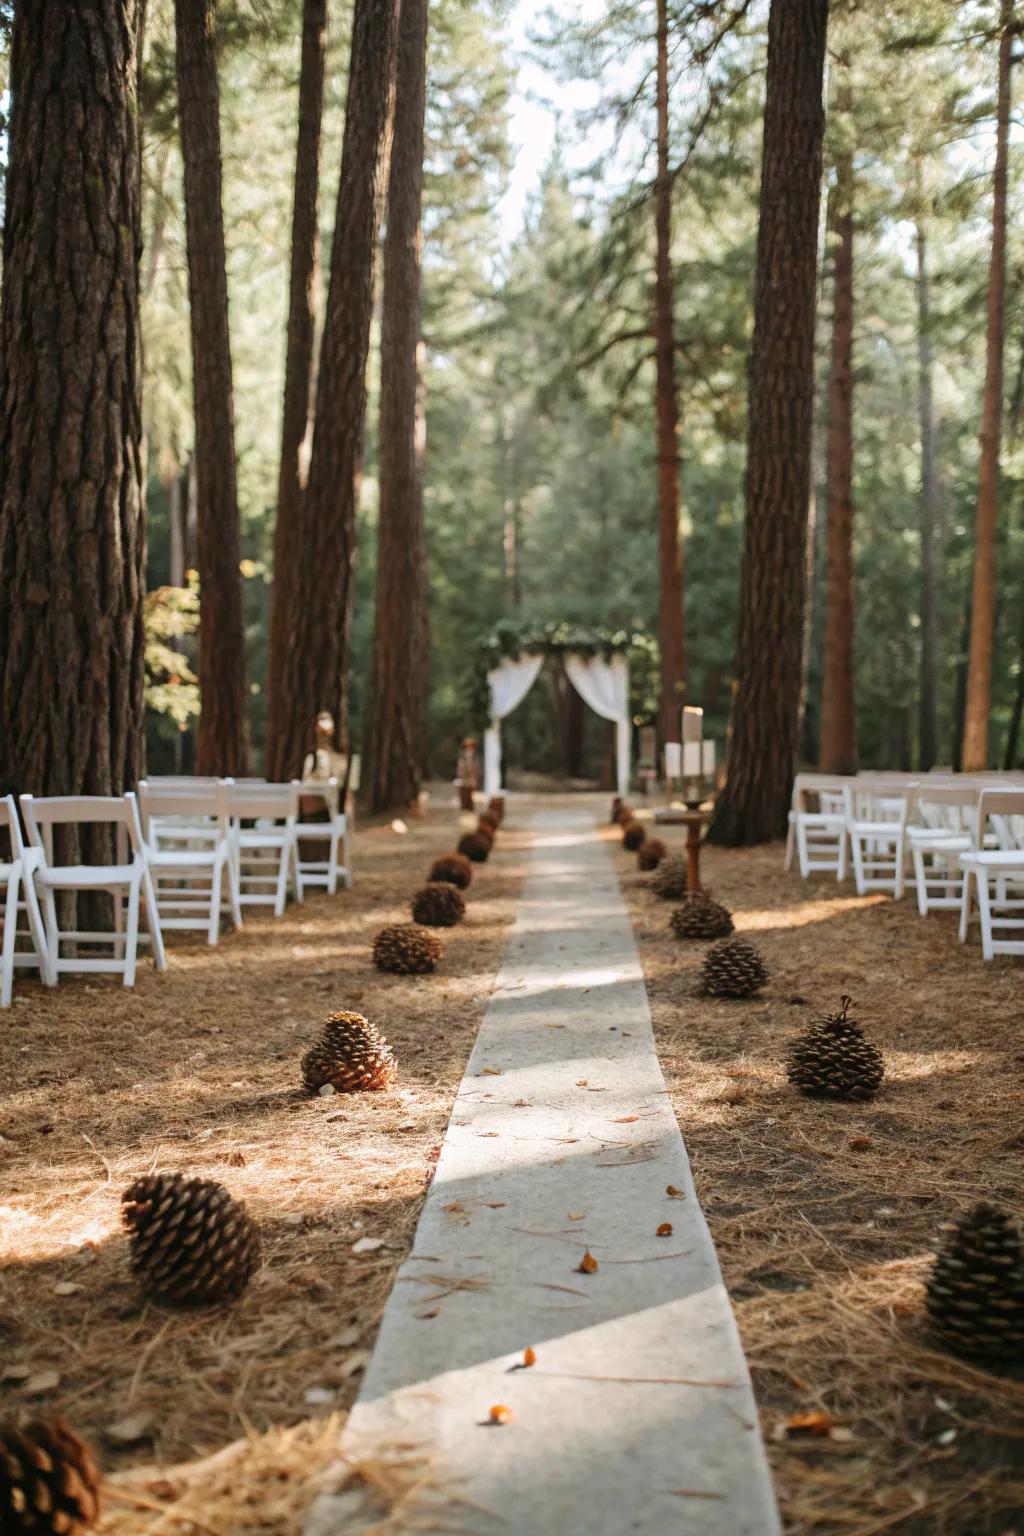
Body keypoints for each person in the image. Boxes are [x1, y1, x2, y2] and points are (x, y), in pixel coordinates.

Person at [302, 711, 347, 784]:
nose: (323, 737)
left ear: (332, 731)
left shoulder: (341, 760)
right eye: (321, 732)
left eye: (327, 732)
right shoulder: (309, 757)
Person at [455, 736, 480, 811]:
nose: (469, 749)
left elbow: (476, 769)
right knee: (464, 795)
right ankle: (464, 807)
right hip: (464, 779)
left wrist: (474, 778)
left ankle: (469, 808)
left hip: (472, 779)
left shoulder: (475, 758)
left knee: (471, 796)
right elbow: (460, 769)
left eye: (471, 747)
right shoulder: (462, 757)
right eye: (467, 747)